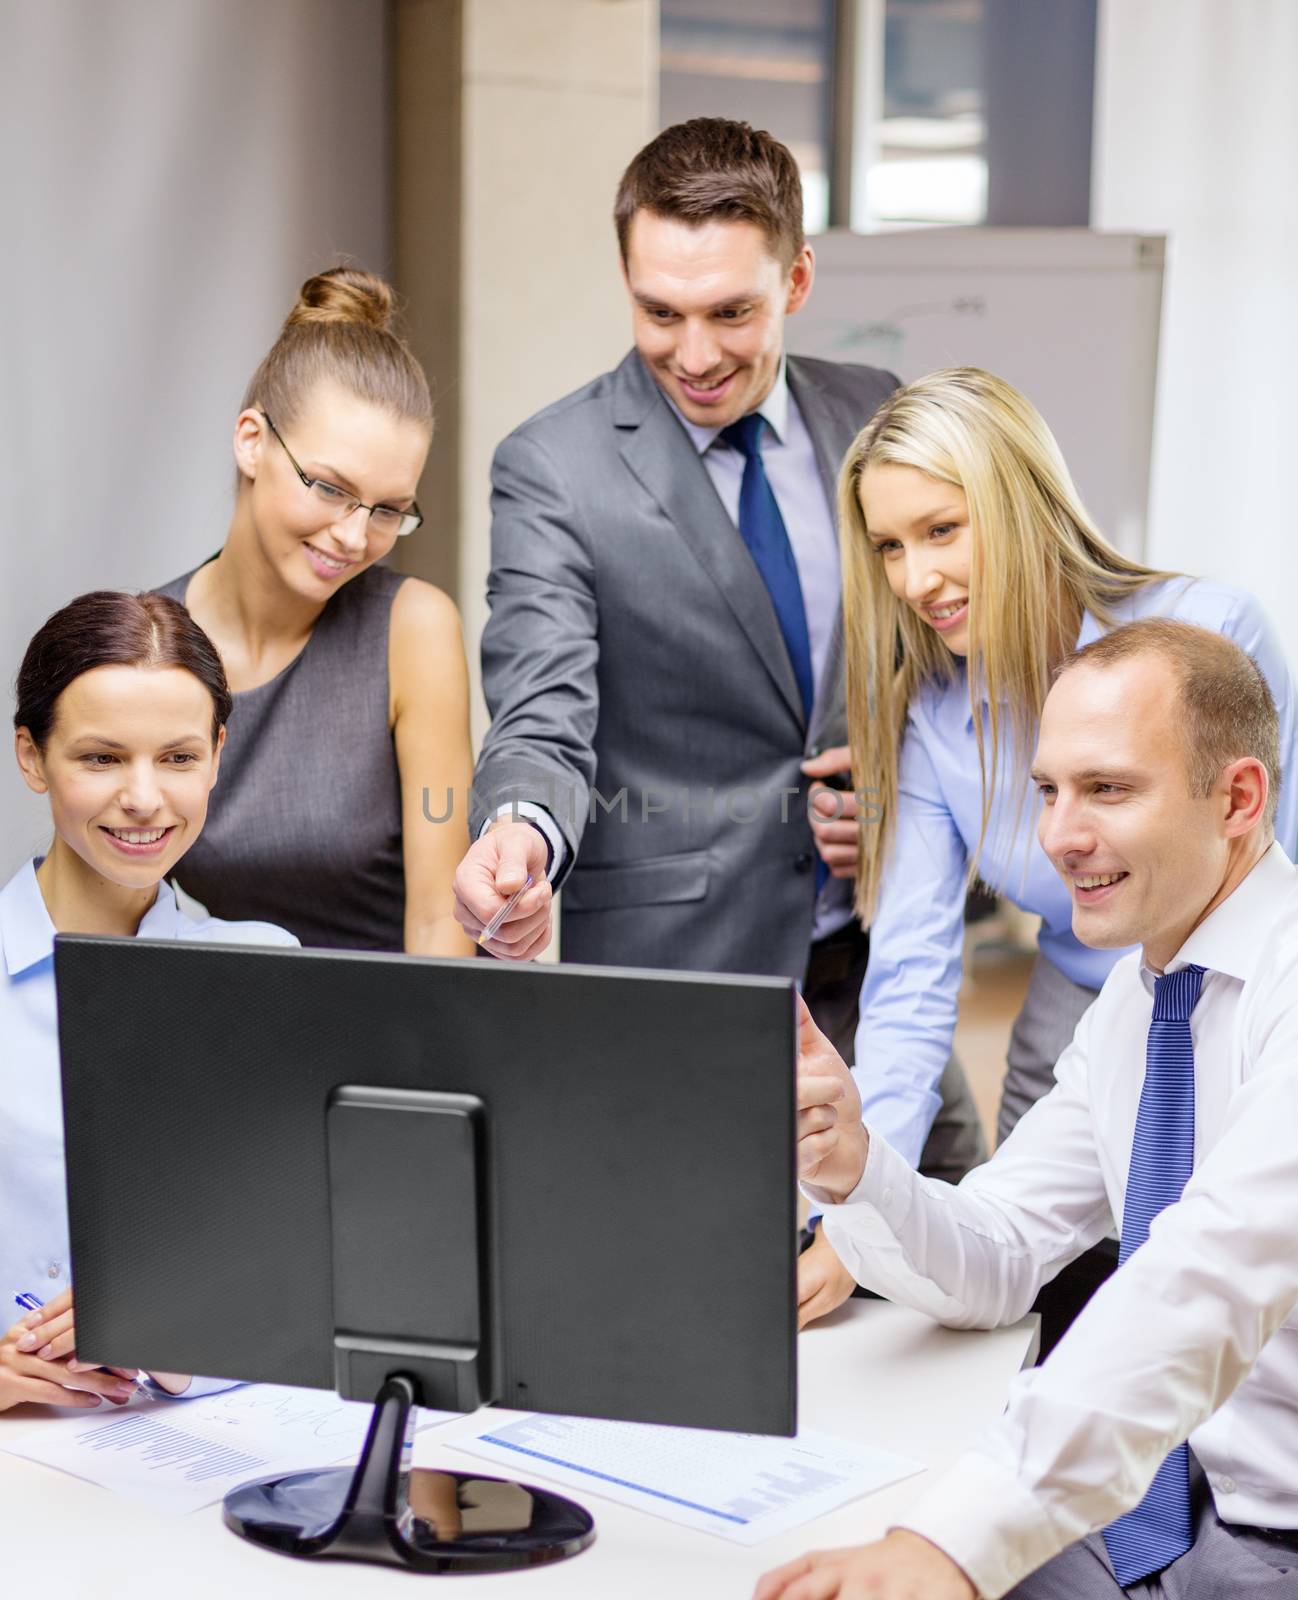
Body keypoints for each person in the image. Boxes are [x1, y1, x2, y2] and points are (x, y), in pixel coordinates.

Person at [451, 118, 982, 1181]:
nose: (693, 356)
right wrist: (521, 834)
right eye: (659, 312)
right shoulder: (550, 467)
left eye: (730, 312)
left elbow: (936, 669)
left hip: (881, 975)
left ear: (795, 278)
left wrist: (894, 793)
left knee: (977, 1287)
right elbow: (541, 705)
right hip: (678, 990)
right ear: (624, 275)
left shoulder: (873, 415)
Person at [760, 620, 1298, 1600]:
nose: (1055, 834)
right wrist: (853, 1164)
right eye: (1047, 789)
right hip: (1144, 1499)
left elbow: (1197, 1284)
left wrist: (955, 1544)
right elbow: (1001, 1250)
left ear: (1236, 798)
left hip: (1269, 1536)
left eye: (1106, 788)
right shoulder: (1139, 998)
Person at [795, 368, 1298, 1330]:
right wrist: (845, 1215)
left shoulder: (1211, 640)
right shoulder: (933, 715)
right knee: (1052, 1294)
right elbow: (908, 983)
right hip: (1087, 1000)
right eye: (889, 547)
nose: (917, 579)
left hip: (1250, 991)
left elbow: (1278, 876)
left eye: (942, 530)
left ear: (1020, 505)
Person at [0, 590, 297, 1410]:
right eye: (100, 758)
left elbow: (310, 1288)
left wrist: (175, 1340)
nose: (144, 798)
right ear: (32, 756)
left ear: (217, 754)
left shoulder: (266, 977)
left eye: (177, 757)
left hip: (188, 1465)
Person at [156, 267, 473, 956]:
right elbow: (115, 908)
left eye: (389, 509)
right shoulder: (150, 643)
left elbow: (439, 926)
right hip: (224, 1026)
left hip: (393, 1035)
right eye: (330, 488)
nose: (356, 538)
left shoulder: (411, 630)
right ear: (251, 441)